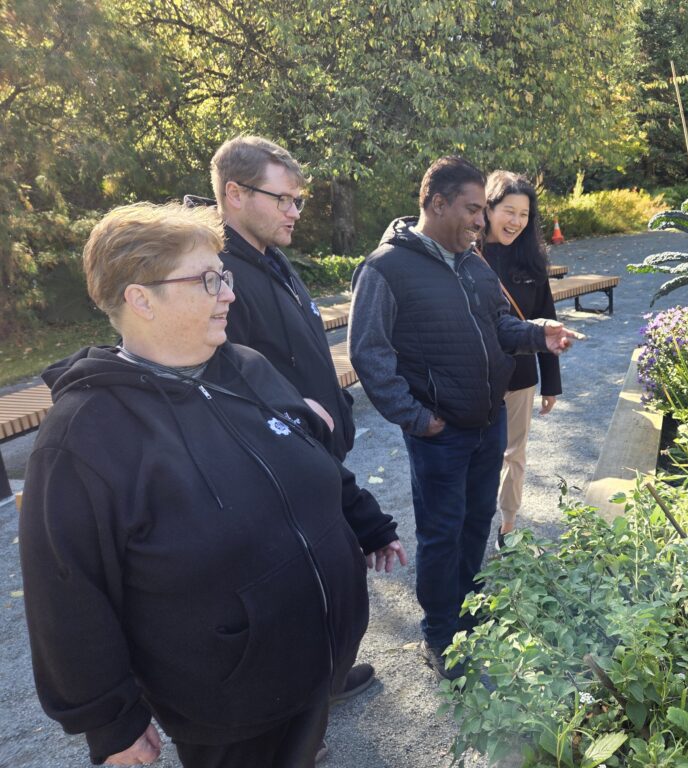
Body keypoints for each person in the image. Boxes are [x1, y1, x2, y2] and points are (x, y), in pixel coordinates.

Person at [19, 202, 405, 767]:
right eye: (207, 280)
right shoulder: (83, 436)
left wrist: (366, 523)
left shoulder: (247, 366)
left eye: (223, 275)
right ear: (140, 298)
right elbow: (65, 591)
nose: (229, 292)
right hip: (228, 703)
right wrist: (110, 720)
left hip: (315, 659)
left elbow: (306, 461)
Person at [348, 156, 580, 680]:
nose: (481, 220)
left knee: (477, 522)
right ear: (436, 204)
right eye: (473, 209)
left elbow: (500, 325)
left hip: (487, 422)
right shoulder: (385, 268)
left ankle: (470, 611)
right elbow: (370, 354)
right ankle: (439, 631)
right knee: (441, 532)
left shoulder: (474, 264)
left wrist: (538, 333)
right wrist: (416, 417)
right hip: (440, 434)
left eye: (482, 211)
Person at [190, 135, 392, 705]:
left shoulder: (268, 256)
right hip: (273, 467)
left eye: (298, 200)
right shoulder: (217, 273)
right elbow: (222, 386)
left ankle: (323, 679)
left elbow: (293, 351)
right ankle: (298, 721)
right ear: (233, 193)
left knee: (323, 580)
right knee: (289, 591)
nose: (294, 211)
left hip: (311, 451)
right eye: (282, 199)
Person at [480, 171, 561, 549]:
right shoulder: (467, 255)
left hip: (521, 376)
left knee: (514, 454)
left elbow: (547, 320)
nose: (515, 221)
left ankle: (508, 525)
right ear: (488, 208)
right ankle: (473, 521)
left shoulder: (532, 261)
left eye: (524, 214)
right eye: (508, 211)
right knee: (477, 455)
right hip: (474, 377)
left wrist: (552, 384)